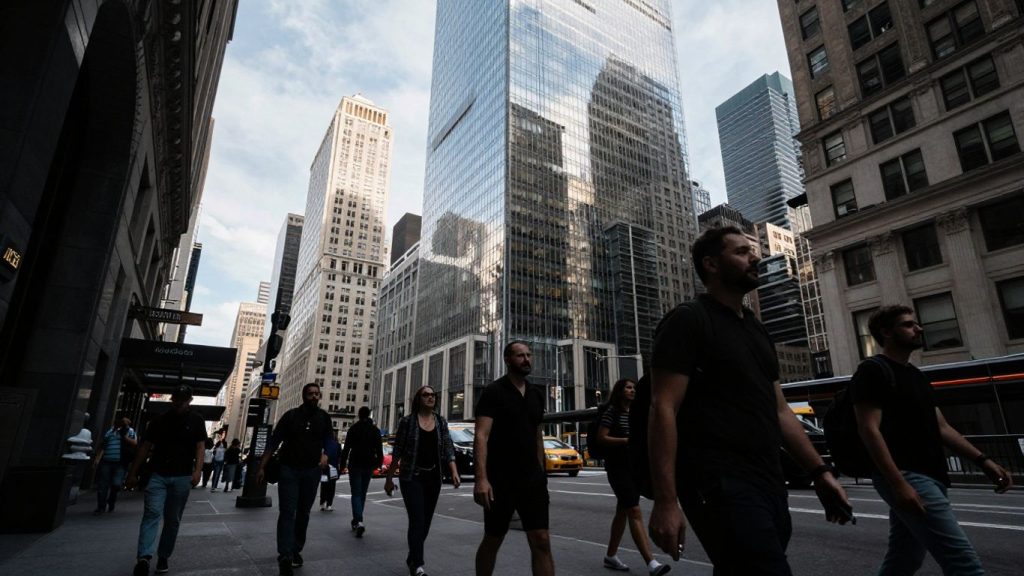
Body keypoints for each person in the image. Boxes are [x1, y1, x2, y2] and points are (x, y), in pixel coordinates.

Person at [648, 226, 850, 575]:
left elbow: (780, 410)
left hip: (770, 480)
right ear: (711, 264)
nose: (755, 257)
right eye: (741, 252)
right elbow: (663, 407)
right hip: (719, 482)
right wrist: (666, 500)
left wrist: (820, 472)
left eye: (752, 251)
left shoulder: (757, 329)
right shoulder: (689, 320)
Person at [852, 306, 1014, 575]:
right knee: (964, 563)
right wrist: (898, 484)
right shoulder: (872, 371)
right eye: (908, 325)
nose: (919, 328)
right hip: (908, 475)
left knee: (903, 559)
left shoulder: (915, 375)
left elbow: (942, 427)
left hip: (932, 474)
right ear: (886, 333)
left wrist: (984, 461)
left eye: (915, 323)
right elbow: (869, 430)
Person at [473, 341, 554, 576]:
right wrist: (481, 479)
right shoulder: (494, 391)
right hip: (501, 480)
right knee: (493, 539)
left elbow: (537, 435)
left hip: (532, 480)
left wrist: (542, 472)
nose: (527, 359)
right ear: (508, 359)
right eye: (520, 355)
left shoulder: (537, 394)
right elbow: (481, 435)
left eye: (529, 355)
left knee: (541, 539)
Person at [126, 385, 207, 576]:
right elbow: (145, 447)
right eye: (177, 398)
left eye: (184, 399)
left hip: (182, 476)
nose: (180, 402)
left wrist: (197, 471)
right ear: (172, 399)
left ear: (189, 401)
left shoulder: (196, 420)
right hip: (158, 475)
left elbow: (200, 447)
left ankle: (163, 556)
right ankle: (144, 558)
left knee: (172, 519)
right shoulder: (159, 421)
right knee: (152, 513)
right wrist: (133, 473)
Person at [385, 385, 462, 576]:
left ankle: (413, 555)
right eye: (425, 395)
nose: (430, 398)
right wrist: (389, 478)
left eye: (432, 395)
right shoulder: (408, 422)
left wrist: (454, 471)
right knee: (417, 519)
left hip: (433, 477)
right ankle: (417, 565)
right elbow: (398, 451)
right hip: (412, 477)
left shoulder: (441, 421)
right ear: (418, 399)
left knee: (426, 521)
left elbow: (447, 446)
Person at [257, 382, 332, 576]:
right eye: (310, 394)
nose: (314, 397)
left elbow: (330, 442)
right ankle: (285, 555)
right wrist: (262, 466)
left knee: (304, 513)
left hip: (311, 472)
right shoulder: (290, 416)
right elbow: (274, 442)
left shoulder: (324, 417)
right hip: (289, 471)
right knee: (287, 512)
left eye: (317, 394)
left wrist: (327, 455)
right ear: (303, 396)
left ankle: (295, 549)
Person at [597, 379, 669, 575]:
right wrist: (626, 440)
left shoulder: (635, 413)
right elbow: (602, 437)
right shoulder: (612, 411)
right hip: (617, 467)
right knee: (634, 510)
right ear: (620, 391)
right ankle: (651, 563)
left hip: (632, 467)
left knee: (623, 511)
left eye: (633, 388)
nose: (632, 391)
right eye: (628, 387)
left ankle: (610, 556)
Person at [340, 405, 383, 537]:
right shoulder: (375, 430)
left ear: (359, 415)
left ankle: (358, 520)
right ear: (369, 415)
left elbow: (346, 448)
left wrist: (342, 464)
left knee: (356, 493)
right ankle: (357, 520)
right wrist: (378, 464)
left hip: (355, 464)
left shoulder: (354, 429)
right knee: (362, 493)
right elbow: (379, 450)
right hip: (369, 464)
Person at [92, 415, 137, 515]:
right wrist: (97, 459)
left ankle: (111, 499)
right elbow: (103, 445)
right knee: (102, 485)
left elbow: (134, 443)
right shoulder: (110, 431)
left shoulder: (130, 431)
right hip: (107, 461)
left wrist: (124, 437)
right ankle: (101, 506)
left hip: (120, 463)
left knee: (116, 484)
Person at [319, 430, 341, 511]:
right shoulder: (338, 445)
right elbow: (339, 458)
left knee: (324, 485)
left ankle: (322, 503)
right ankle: (329, 504)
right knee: (332, 486)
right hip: (333, 470)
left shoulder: (324, 445)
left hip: (325, 468)